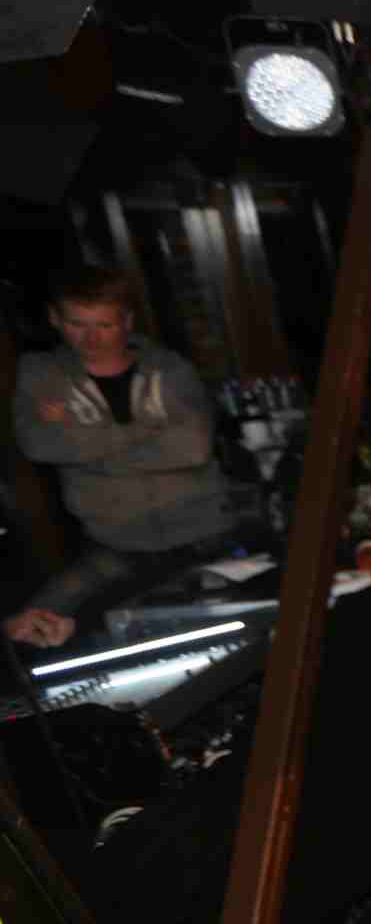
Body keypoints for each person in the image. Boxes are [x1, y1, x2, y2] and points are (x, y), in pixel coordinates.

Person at [7, 265, 234, 648]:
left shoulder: (169, 368)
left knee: (219, 633)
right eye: (78, 324)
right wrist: (151, 432)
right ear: (55, 319)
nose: (92, 338)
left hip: (206, 532)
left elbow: (193, 448)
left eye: (105, 325)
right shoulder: (41, 373)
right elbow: (40, 445)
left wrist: (84, 441)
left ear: (127, 321)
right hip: (115, 540)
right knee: (31, 630)